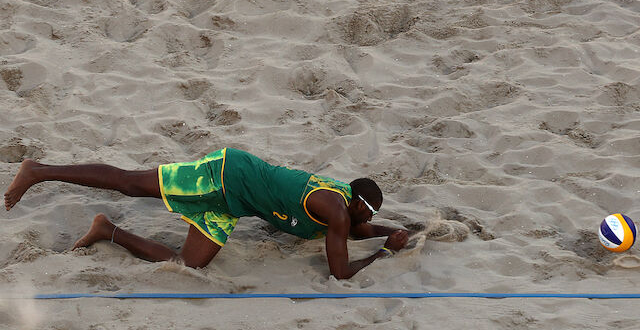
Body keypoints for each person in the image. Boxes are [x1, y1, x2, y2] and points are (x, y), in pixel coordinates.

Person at [3, 148, 409, 279]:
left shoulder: (346, 204)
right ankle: (38, 171)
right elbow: (340, 270)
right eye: (368, 211)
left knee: (189, 265)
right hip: (224, 175)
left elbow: (361, 228)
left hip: (233, 204)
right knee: (131, 183)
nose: (366, 218)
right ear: (355, 203)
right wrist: (384, 253)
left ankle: (106, 230)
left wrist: (399, 230)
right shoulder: (336, 211)